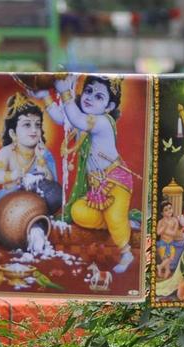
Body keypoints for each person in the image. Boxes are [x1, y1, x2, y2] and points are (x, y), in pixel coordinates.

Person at [48, 74, 138, 273]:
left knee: (114, 216)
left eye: (99, 96)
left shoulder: (102, 122)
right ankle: (119, 221)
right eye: (88, 91)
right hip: (97, 188)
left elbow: (75, 119)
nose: (89, 97)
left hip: (116, 182)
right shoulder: (82, 119)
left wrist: (64, 91)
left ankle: (126, 253)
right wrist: (44, 97)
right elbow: (61, 118)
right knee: (78, 212)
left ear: (109, 106)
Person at [0, 93, 61, 221]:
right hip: (11, 196)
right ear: (13, 133)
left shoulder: (43, 153)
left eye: (37, 125)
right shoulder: (5, 153)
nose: (34, 130)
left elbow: (51, 182)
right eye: (27, 125)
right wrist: (13, 175)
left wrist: (42, 161)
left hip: (34, 199)